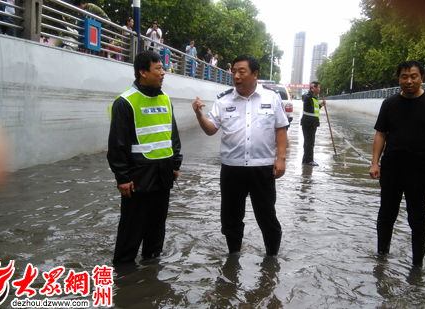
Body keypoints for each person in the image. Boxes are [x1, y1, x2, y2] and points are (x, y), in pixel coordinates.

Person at [191, 54, 289, 256]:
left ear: (254, 74)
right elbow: (211, 130)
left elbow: (281, 128)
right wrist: (199, 115)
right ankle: (233, 256)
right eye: (233, 71)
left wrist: (281, 159)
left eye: (241, 71)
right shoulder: (224, 100)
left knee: (267, 215)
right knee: (231, 217)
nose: (236, 76)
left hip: (262, 168)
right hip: (232, 168)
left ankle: (272, 256)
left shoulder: (271, 98)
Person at [369, 60, 425, 268]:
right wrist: (375, 163)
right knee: (386, 213)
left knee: (418, 217)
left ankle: (417, 265)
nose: (409, 81)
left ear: (422, 77)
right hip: (391, 167)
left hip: (420, 168)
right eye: (404, 77)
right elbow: (380, 134)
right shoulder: (389, 103)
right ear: (399, 79)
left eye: (414, 76)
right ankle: (382, 257)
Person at [107, 50, 183, 263]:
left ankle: (152, 270)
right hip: (137, 178)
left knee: (156, 230)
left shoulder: (166, 99)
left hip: (163, 175)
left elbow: (172, 135)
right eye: (158, 68)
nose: (163, 73)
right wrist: (122, 177)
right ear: (142, 72)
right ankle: (124, 275)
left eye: (163, 68)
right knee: (131, 231)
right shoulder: (125, 102)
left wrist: (176, 164)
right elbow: (117, 143)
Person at [300, 81, 325, 166]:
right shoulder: (307, 96)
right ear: (314, 88)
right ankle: (309, 160)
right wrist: (311, 90)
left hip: (313, 123)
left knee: (309, 142)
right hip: (308, 123)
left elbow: (313, 109)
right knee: (309, 142)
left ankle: (306, 159)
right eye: (318, 87)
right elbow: (306, 99)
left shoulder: (314, 98)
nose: (319, 89)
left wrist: (321, 105)